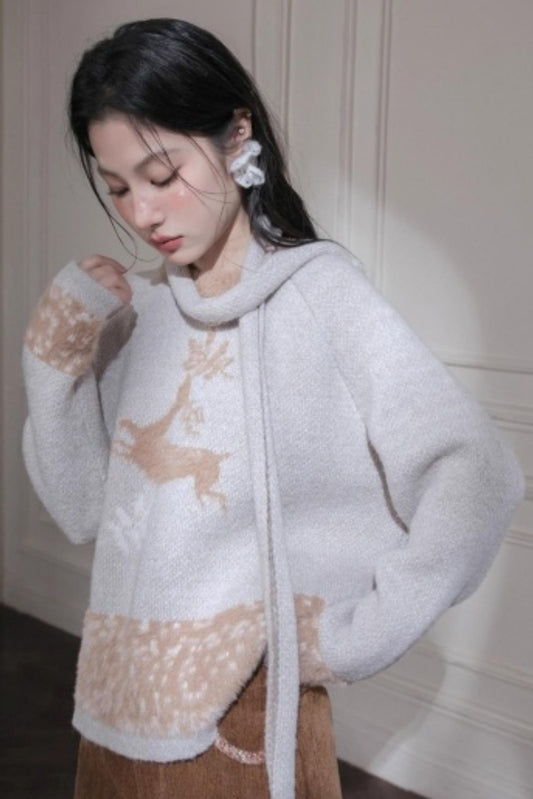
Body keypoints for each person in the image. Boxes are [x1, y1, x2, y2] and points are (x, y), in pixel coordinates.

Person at [21, 18, 524, 799]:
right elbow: (81, 508)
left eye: (162, 173)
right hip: (110, 718)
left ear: (236, 136)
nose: (142, 213)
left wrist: (359, 637)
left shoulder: (321, 293)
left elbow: (477, 472)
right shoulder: (139, 314)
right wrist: (52, 363)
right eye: (118, 187)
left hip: (242, 728)